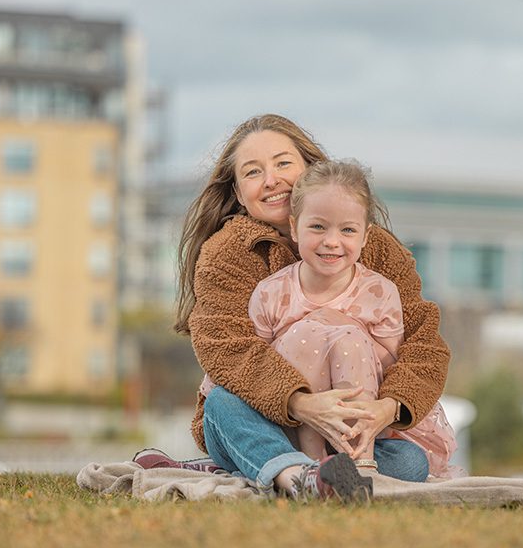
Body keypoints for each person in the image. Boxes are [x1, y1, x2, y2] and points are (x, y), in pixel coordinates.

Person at [169, 114, 450, 500]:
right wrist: (301, 404)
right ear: (236, 191)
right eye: (253, 172)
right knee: (222, 405)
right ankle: (299, 477)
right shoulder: (225, 255)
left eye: (283, 163)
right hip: (262, 418)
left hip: (347, 428)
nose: (272, 180)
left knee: (409, 462)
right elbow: (226, 347)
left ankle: (300, 473)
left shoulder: (376, 249)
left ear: (308, 167)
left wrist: (386, 409)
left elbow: (424, 343)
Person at [240, 159, 458, 474]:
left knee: (411, 464)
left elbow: (388, 364)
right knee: (225, 405)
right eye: (317, 226)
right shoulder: (272, 292)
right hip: (290, 425)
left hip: (361, 422)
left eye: (347, 230)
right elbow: (258, 365)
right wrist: (314, 341)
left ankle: (358, 463)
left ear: (365, 236)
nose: (332, 241)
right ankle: (311, 470)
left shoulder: (379, 292)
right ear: (294, 227)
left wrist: (340, 339)